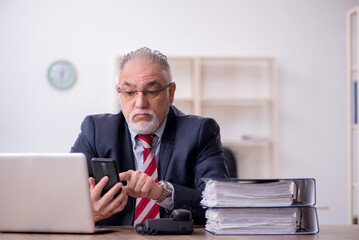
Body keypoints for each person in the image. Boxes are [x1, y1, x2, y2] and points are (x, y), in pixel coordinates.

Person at [70, 47, 229, 226]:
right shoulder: (96, 130)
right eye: (129, 92)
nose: (140, 104)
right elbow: (66, 196)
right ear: (119, 94)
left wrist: (161, 193)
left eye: (152, 91)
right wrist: (87, 213)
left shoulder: (201, 132)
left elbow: (219, 206)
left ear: (170, 93)